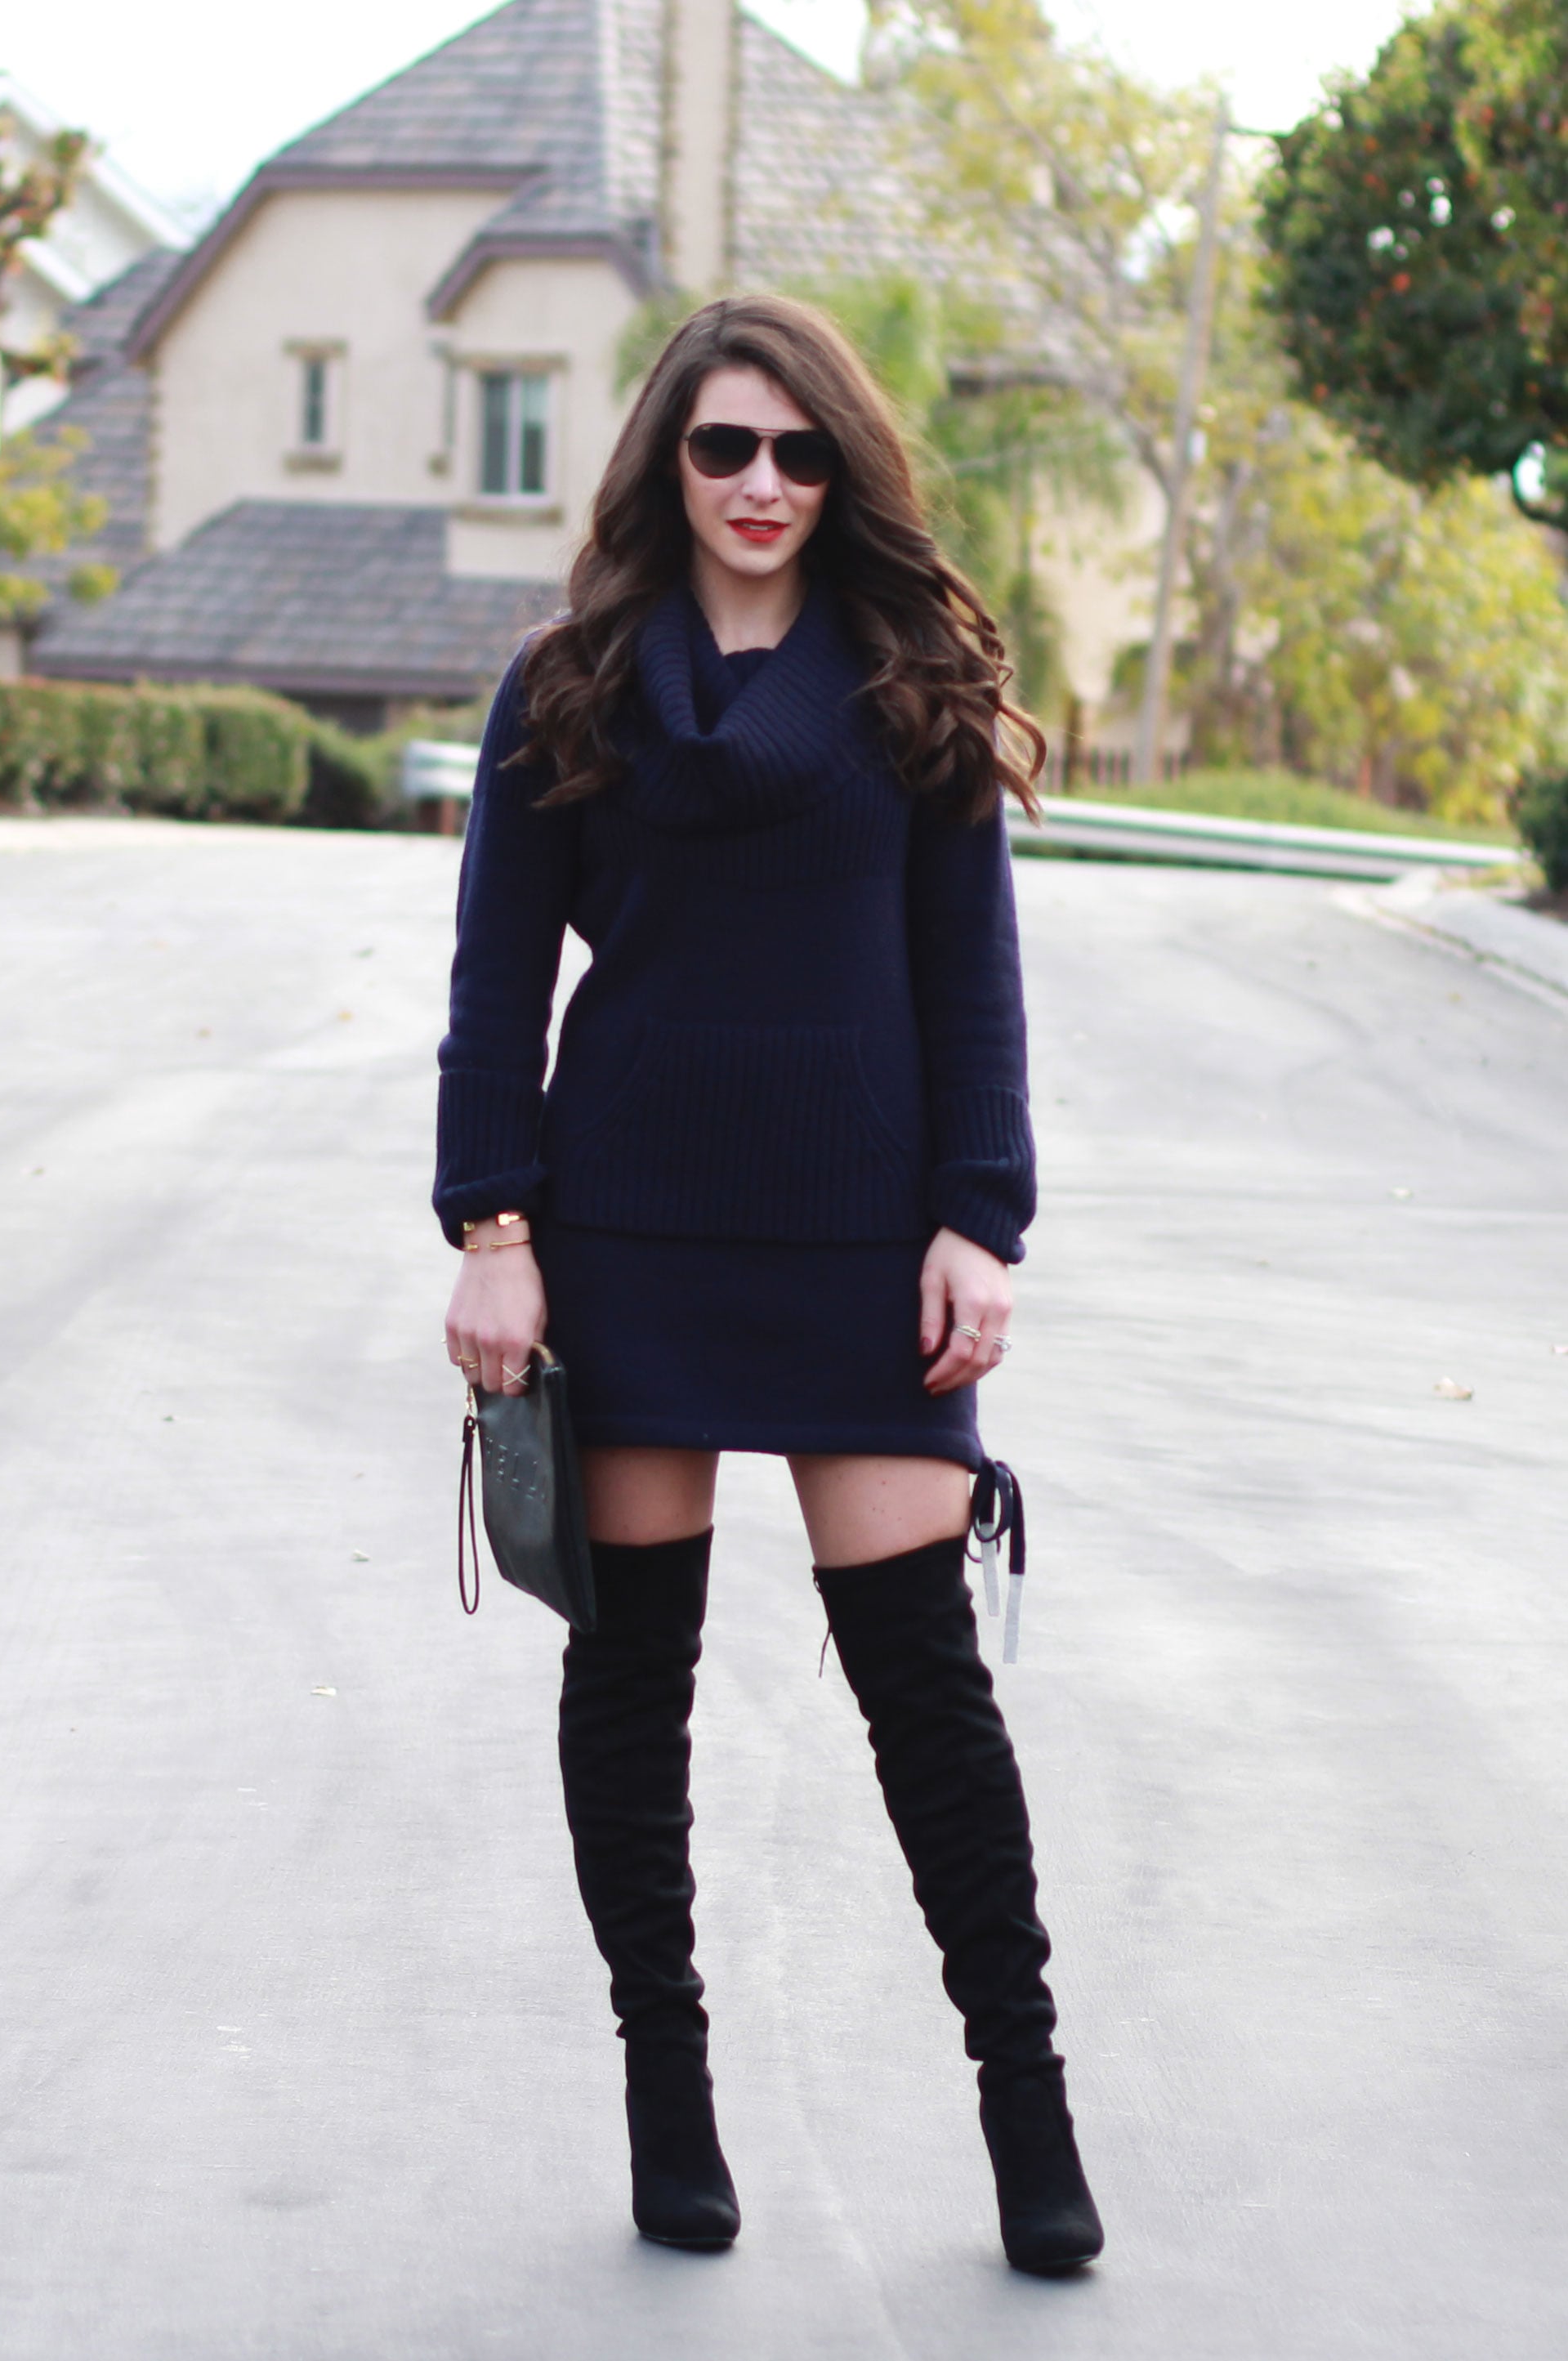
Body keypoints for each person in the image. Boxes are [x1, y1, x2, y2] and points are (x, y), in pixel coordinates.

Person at [434, 295, 1102, 2274]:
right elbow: (496, 984)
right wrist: (493, 1228)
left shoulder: (911, 678)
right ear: (666, 458)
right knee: (631, 1685)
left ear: (844, 472)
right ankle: (669, 2082)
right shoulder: (568, 684)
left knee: (927, 1694)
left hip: (856, 1243)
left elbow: (968, 978)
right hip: (624, 1234)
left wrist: (978, 1211)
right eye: (725, 447)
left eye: (800, 453)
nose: (760, 484)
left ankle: (1028, 2103)